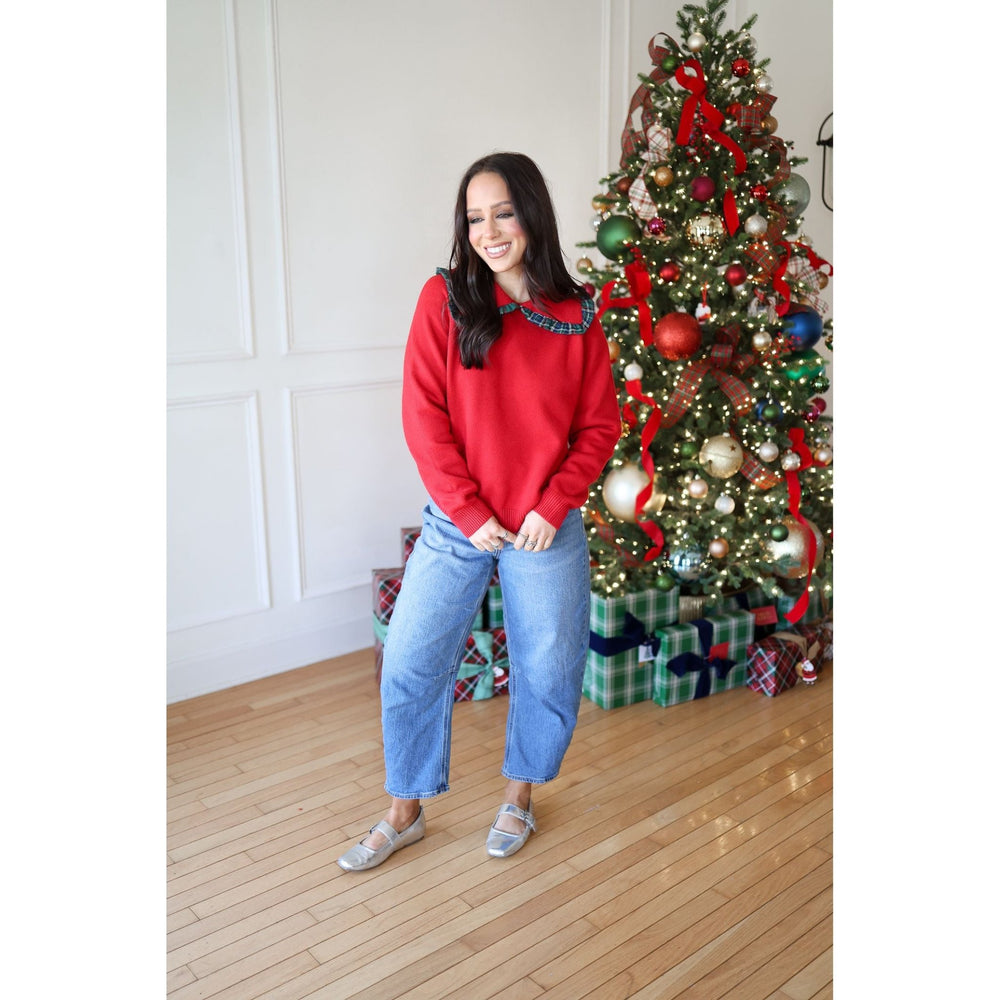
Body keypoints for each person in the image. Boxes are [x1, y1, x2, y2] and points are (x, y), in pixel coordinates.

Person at [337, 152, 621, 871]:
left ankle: (518, 799)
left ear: (531, 213)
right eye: (474, 217)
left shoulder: (577, 313)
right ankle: (405, 811)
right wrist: (466, 512)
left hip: (542, 532)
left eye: (502, 212)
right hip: (457, 526)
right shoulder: (444, 298)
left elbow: (598, 428)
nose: (489, 230)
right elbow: (422, 417)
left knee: (548, 669)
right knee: (410, 661)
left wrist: (553, 506)